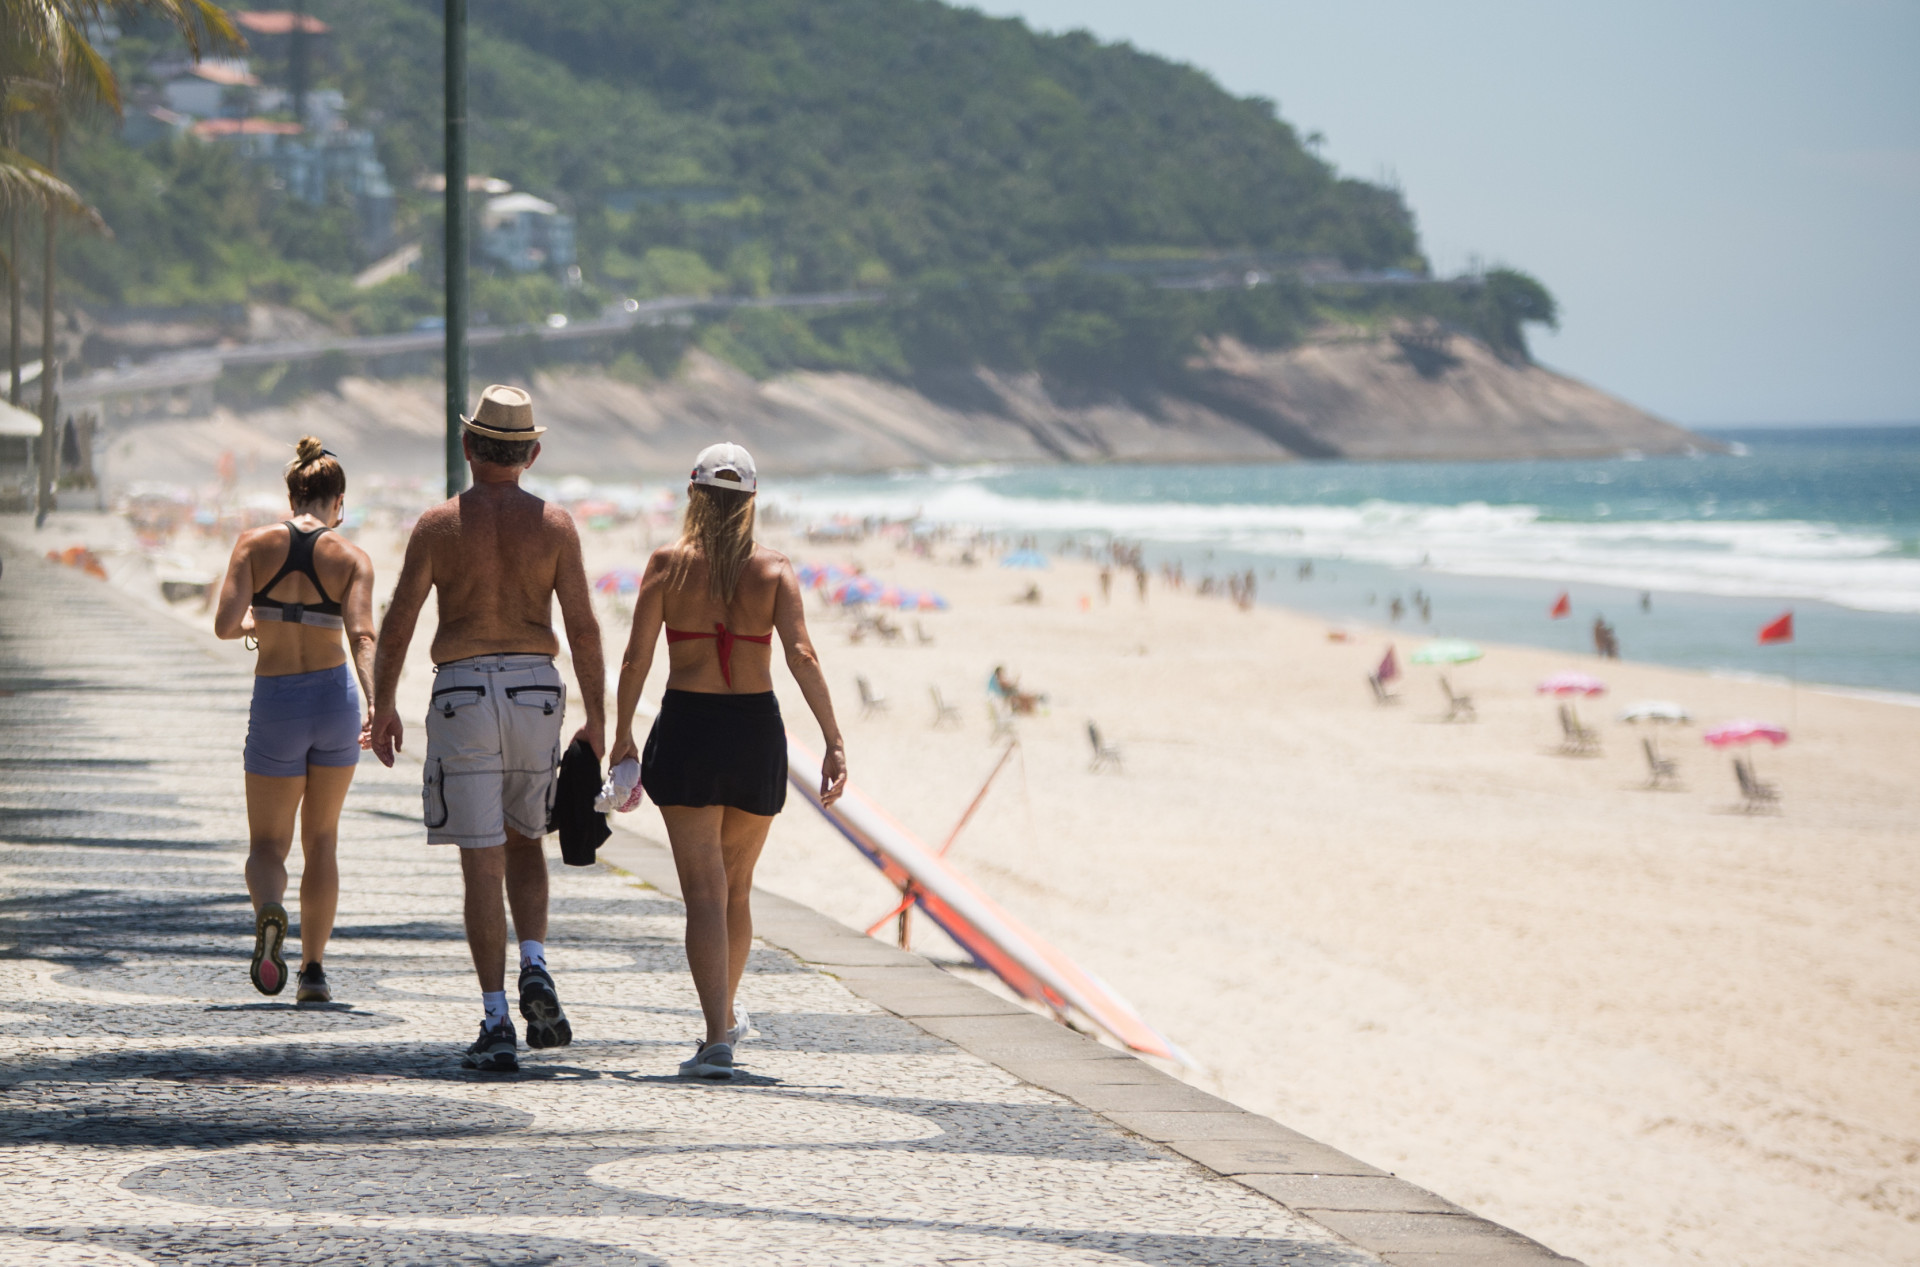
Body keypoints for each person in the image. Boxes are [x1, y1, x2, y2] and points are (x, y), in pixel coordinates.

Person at [367, 385, 606, 1072]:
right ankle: (535, 961)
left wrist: (382, 704)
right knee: (525, 835)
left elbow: (401, 620)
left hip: (464, 688)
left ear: (468, 446)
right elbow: (583, 627)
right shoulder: (555, 526)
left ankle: (498, 1016)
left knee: (481, 856)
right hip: (536, 686)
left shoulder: (439, 525)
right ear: (531, 453)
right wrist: (598, 717)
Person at [609, 442, 847, 1080]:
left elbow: (635, 659)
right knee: (735, 889)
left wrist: (622, 735)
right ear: (752, 503)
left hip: (687, 726)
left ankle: (718, 1032)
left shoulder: (666, 565)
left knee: (704, 895)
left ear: (692, 494)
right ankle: (723, 1021)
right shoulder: (773, 571)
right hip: (753, 732)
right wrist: (833, 738)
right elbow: (802, 656)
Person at [214, 437, 377, 1005]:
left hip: (277, 701)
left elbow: (224, 625)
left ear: (291, 495)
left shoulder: (253, 544)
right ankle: (313, 972)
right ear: (338, 502)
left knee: (267, 845)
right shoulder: (352, 557)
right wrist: (376, 703)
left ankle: (269, 915)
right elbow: (362, 636)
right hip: (335, 702)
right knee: (323, 840)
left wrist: (258, 628)